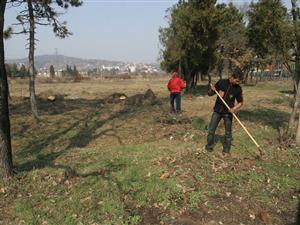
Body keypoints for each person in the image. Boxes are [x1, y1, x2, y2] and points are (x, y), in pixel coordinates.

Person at [205, 69, 244, 154]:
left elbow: (241, 102)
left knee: (228, 133)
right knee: (211, 130)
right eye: (237, 81)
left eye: (239, 81)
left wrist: (234, 108)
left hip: (228, 113)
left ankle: (226, 150)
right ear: (232, 77)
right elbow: (210, 94)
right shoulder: (221, 82)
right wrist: (212, 90)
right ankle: (209, 147)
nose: (238, 83)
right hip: (217, 111)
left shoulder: (238, 89)